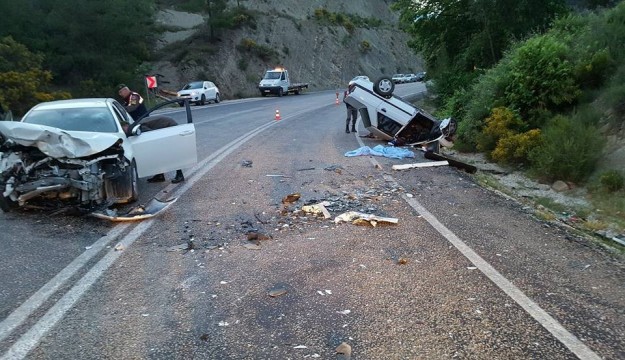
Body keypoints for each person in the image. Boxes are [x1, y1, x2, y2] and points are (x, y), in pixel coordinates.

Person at [116, 84, 184, 184]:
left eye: (121, 92)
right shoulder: (127, 101)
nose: (121, 95)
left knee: (170, 151)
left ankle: (179, 174)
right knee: (155, 150)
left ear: (125, 90)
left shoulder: (134, 96)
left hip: (169, 127)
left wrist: (120, 110)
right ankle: (160, 174)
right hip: (154, 125)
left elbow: (132, 108)